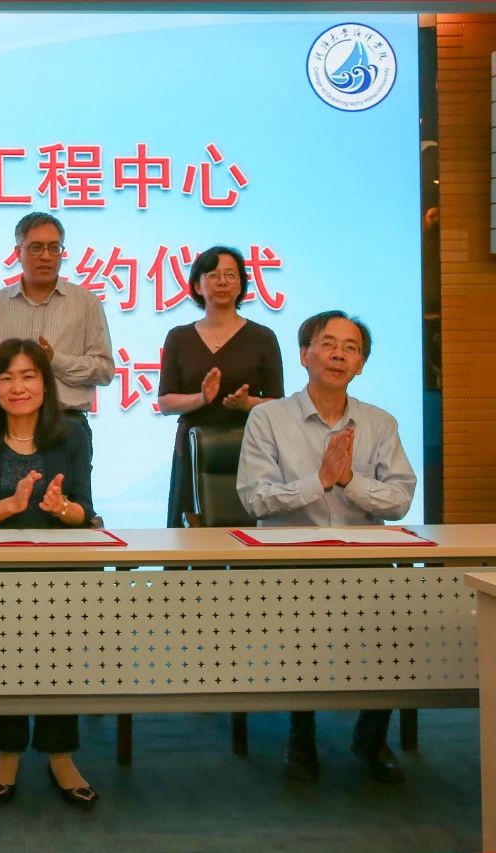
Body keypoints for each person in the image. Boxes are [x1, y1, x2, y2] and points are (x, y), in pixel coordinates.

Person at [237, 310, 416, 783]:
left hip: (364, 561)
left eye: (351, 348)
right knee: (302, 628)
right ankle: (301, 735)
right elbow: (255, 497)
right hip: (291, 562)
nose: (339, 355)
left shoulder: (380, 423)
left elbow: (400, 499)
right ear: (304, 354)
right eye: (328, 344)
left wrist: (349, 480)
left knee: (405, 617)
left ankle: (371, 736)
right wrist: (318, 481)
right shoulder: (267, 418)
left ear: (360, 365)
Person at [0, 338, 97, 809]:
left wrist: (62, 509)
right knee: (5, 652)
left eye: (28, 377)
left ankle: (60, 754)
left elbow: (85, 511)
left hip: (59, 568)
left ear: (45, 383)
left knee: (62, 650)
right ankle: (7, 752)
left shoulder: (72, 435)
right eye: (6, 378)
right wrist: (11, 505)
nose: (17, 388)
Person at [0, 212, 113, 455]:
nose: (46, 256)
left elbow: (104, 370)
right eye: (36, 247)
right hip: (4, 426)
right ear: (18, 252)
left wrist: (54, 361)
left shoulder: (86, 303)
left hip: (67, 426)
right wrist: (16, 368)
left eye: (54, 248)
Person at [157, 245, 284, 527]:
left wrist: (247, 403)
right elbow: (165, 402)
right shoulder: (179, 337)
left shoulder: (263, 337)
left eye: (230, 275)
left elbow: (278, 403)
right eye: (213, 275)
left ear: (241, 285)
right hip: (193, 449)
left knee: (248, 533)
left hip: (250, 448)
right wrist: (201, 398)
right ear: (197, 286)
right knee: (188, 531)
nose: (222, 282)